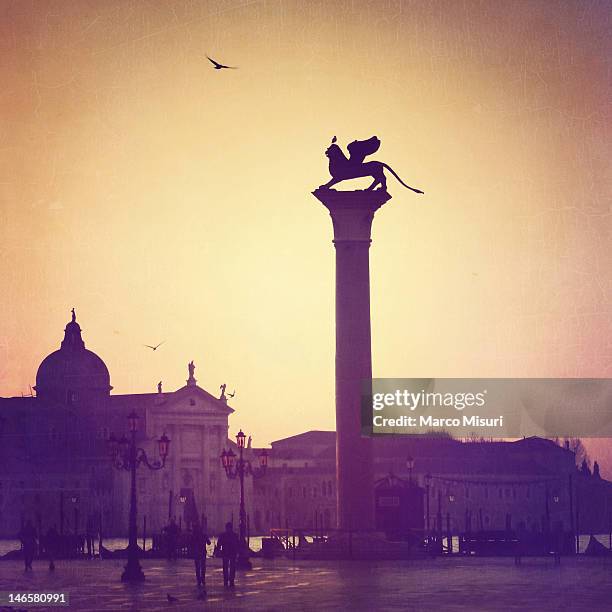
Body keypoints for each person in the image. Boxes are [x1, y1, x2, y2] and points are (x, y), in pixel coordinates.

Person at [216, 522, 240, 588]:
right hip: (231, 553)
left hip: (226, 553)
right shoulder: (235, 535)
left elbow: (219, 544)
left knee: (226, 567)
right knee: (231, 567)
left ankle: (227, 580)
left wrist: (217, 550)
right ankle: (230, 580)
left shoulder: (222, 535)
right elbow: (238, 544)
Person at [189, 521, 211, 592]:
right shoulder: (203, 535)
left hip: (197, 552)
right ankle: (203, 579)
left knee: (198, 567)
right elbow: (209, 543)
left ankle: (199, 580)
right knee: (203, 566)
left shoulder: (194, 535)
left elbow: (191, 543)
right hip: (202, 552)